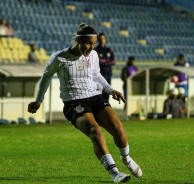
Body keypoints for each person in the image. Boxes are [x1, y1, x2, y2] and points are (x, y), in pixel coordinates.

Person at [27, 23, 142, 183]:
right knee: (95, 132)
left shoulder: (93, 55)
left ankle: (126, 159)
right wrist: (38, 100)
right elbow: (46, 78)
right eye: (88, 43)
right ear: (78, 40)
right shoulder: (59, 57)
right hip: (74, 102)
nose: (91, 47)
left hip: (95, 97)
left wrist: (110, 90)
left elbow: (96, 75)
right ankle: (115, 173)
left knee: (118, 128)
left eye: (93, 43)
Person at [94, 32, 116, 102]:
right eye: (100, 39)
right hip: (99, 76)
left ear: (105, 39)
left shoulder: (109, 50)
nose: (102, 40)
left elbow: (113, 61)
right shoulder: (95, 50)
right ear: (98, 40)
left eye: (103, 38)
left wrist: (104, 62)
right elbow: (98, 61)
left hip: (108, 76)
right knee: (99, 95)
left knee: (107, 95)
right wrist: (107, 61)